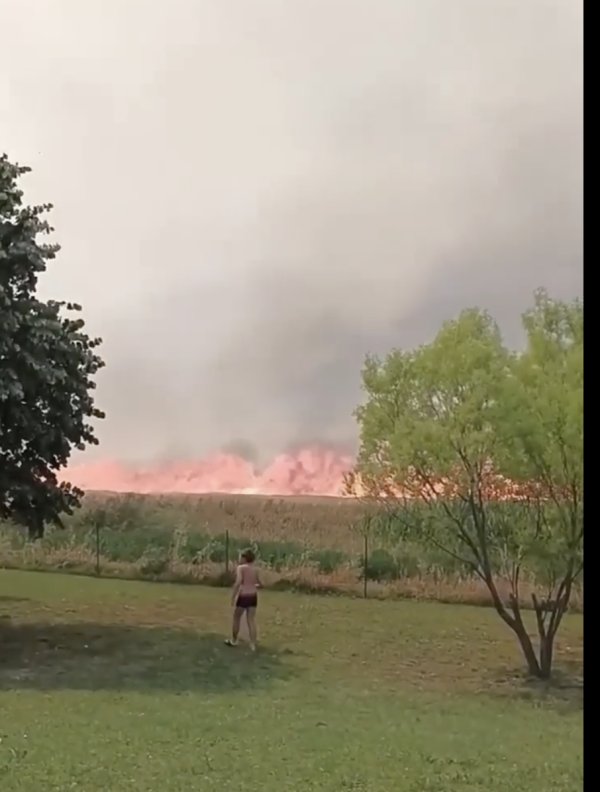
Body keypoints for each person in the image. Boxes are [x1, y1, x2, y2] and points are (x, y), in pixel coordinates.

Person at [225, 548, 261, 651]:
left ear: (245, 558)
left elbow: (239, 582)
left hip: (244, 595)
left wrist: (233, 596)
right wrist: (257, 586)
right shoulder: (255, 569)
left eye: (241, 556)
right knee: (251, 620)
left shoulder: (241, 568)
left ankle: (234, 640)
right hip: (253, 596)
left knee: (237, 617)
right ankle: (253, 644)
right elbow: (259, 582)